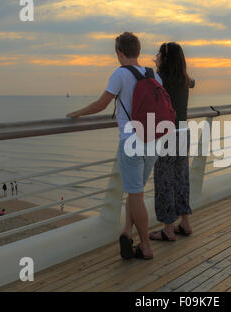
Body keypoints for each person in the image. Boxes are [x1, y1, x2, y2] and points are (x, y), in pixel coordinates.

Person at [66, 32, 163, 260]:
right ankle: (127, 232)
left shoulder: (120, 74)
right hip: (154, 141)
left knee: (135, 193)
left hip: (131, 141)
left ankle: (146, 247)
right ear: (138, 51)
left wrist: (76, 113)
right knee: (135, 191)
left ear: (119, 52)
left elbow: (101, 104)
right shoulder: (154, 76)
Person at [149, 42, 195, 242]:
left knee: (164, 180)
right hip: (183, 131)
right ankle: (184, 222)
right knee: (181, 177)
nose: (156, 56)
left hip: (166, 134)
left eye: (158, 54)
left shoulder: (158, 78)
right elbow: (193, 82)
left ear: (165, 58)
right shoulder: (185, 79)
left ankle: (168, 228)